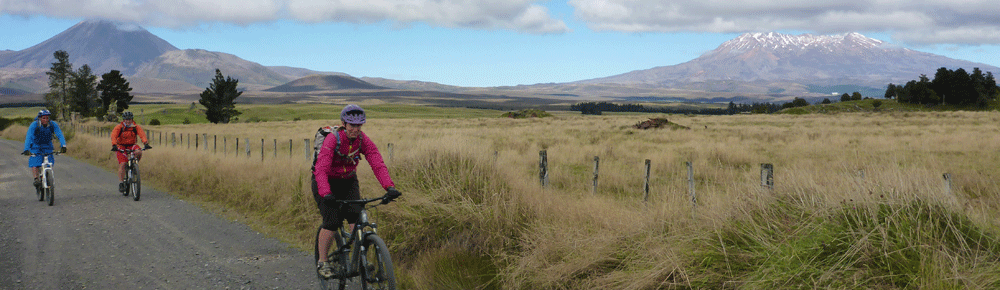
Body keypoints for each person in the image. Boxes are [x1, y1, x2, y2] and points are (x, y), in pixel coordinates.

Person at [312, 104, 401, 279]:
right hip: (325, 181)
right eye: (352, 125)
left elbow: (377, 162)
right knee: (332, 221)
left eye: (359, 125)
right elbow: (321, 169)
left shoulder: (362, 140)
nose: (355, 129)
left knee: (356, 217)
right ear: (344, 124)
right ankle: (323, 261)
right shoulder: (333, 139)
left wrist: (389, 187)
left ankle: (360, 259)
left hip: (348, 181)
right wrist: (326, 192)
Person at [21, 110, 67, 189]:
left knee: (50, 162)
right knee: (34, 162)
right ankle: (36, 179)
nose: (46, 120)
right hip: (36, 146)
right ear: (39, 118)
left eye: (47, 118)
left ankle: (48, 176)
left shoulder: (52, 124)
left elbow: (59, 134)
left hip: (48, 146)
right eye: (44, 118)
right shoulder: (34, 125)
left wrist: (63, 145)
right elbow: (29, 136)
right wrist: (26, 149)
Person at [110, 112, 152, 193]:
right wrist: (114, 145)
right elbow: (113, 135)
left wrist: (145, 143)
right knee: (123, 164)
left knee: (139, 152)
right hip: (121, 146)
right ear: (123, 120)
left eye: (129, 119)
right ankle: (121, 183)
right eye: (126, 119)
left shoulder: (135, 127)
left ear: (132, 120)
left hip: (132, 145)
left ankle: (134, 166)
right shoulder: (119, 127)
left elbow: (142, 135)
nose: (128, 121)